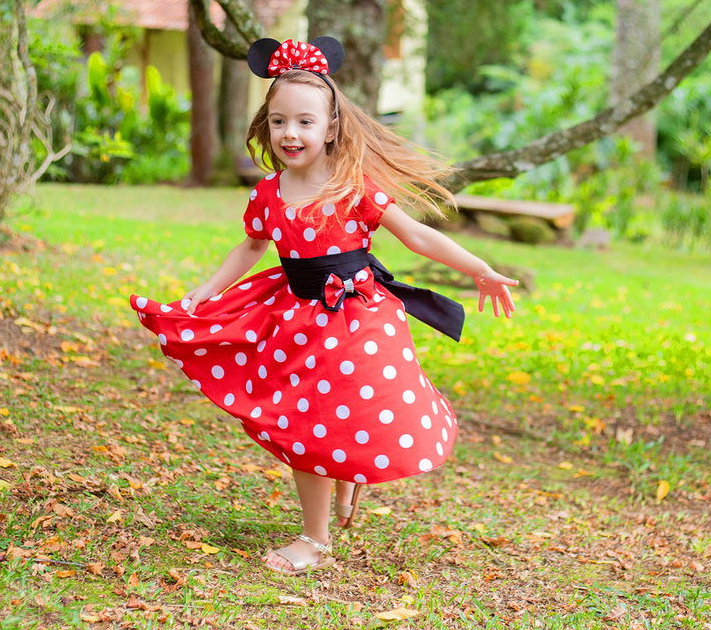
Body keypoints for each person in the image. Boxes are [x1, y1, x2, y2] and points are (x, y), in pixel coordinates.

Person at [130, 37, 518, 576]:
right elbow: (249, 246)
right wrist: (207, 291)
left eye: (306, 122)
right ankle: (317, 535)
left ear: (331, 127)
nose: (291, 133)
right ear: (267, 125)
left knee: (346, 411)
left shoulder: (353, 185)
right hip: (295, 319)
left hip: (358, 315)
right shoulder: (267, 193)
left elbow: (417, 238)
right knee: (303, 423)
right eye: (280, 121)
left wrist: (479, 269)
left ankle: (338, 496)